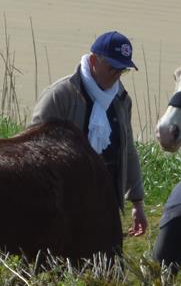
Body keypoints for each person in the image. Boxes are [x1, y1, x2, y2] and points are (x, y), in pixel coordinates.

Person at [30, 31, 148, 236]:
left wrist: (137, 203)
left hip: (108, 200)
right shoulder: (60, 96)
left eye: (123, 70)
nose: (117, 75)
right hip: (64, 202)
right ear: (94, 60)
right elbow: (32, 148)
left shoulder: (122, 100)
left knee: (110, 255)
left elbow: (128, 151)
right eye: (112, 67)